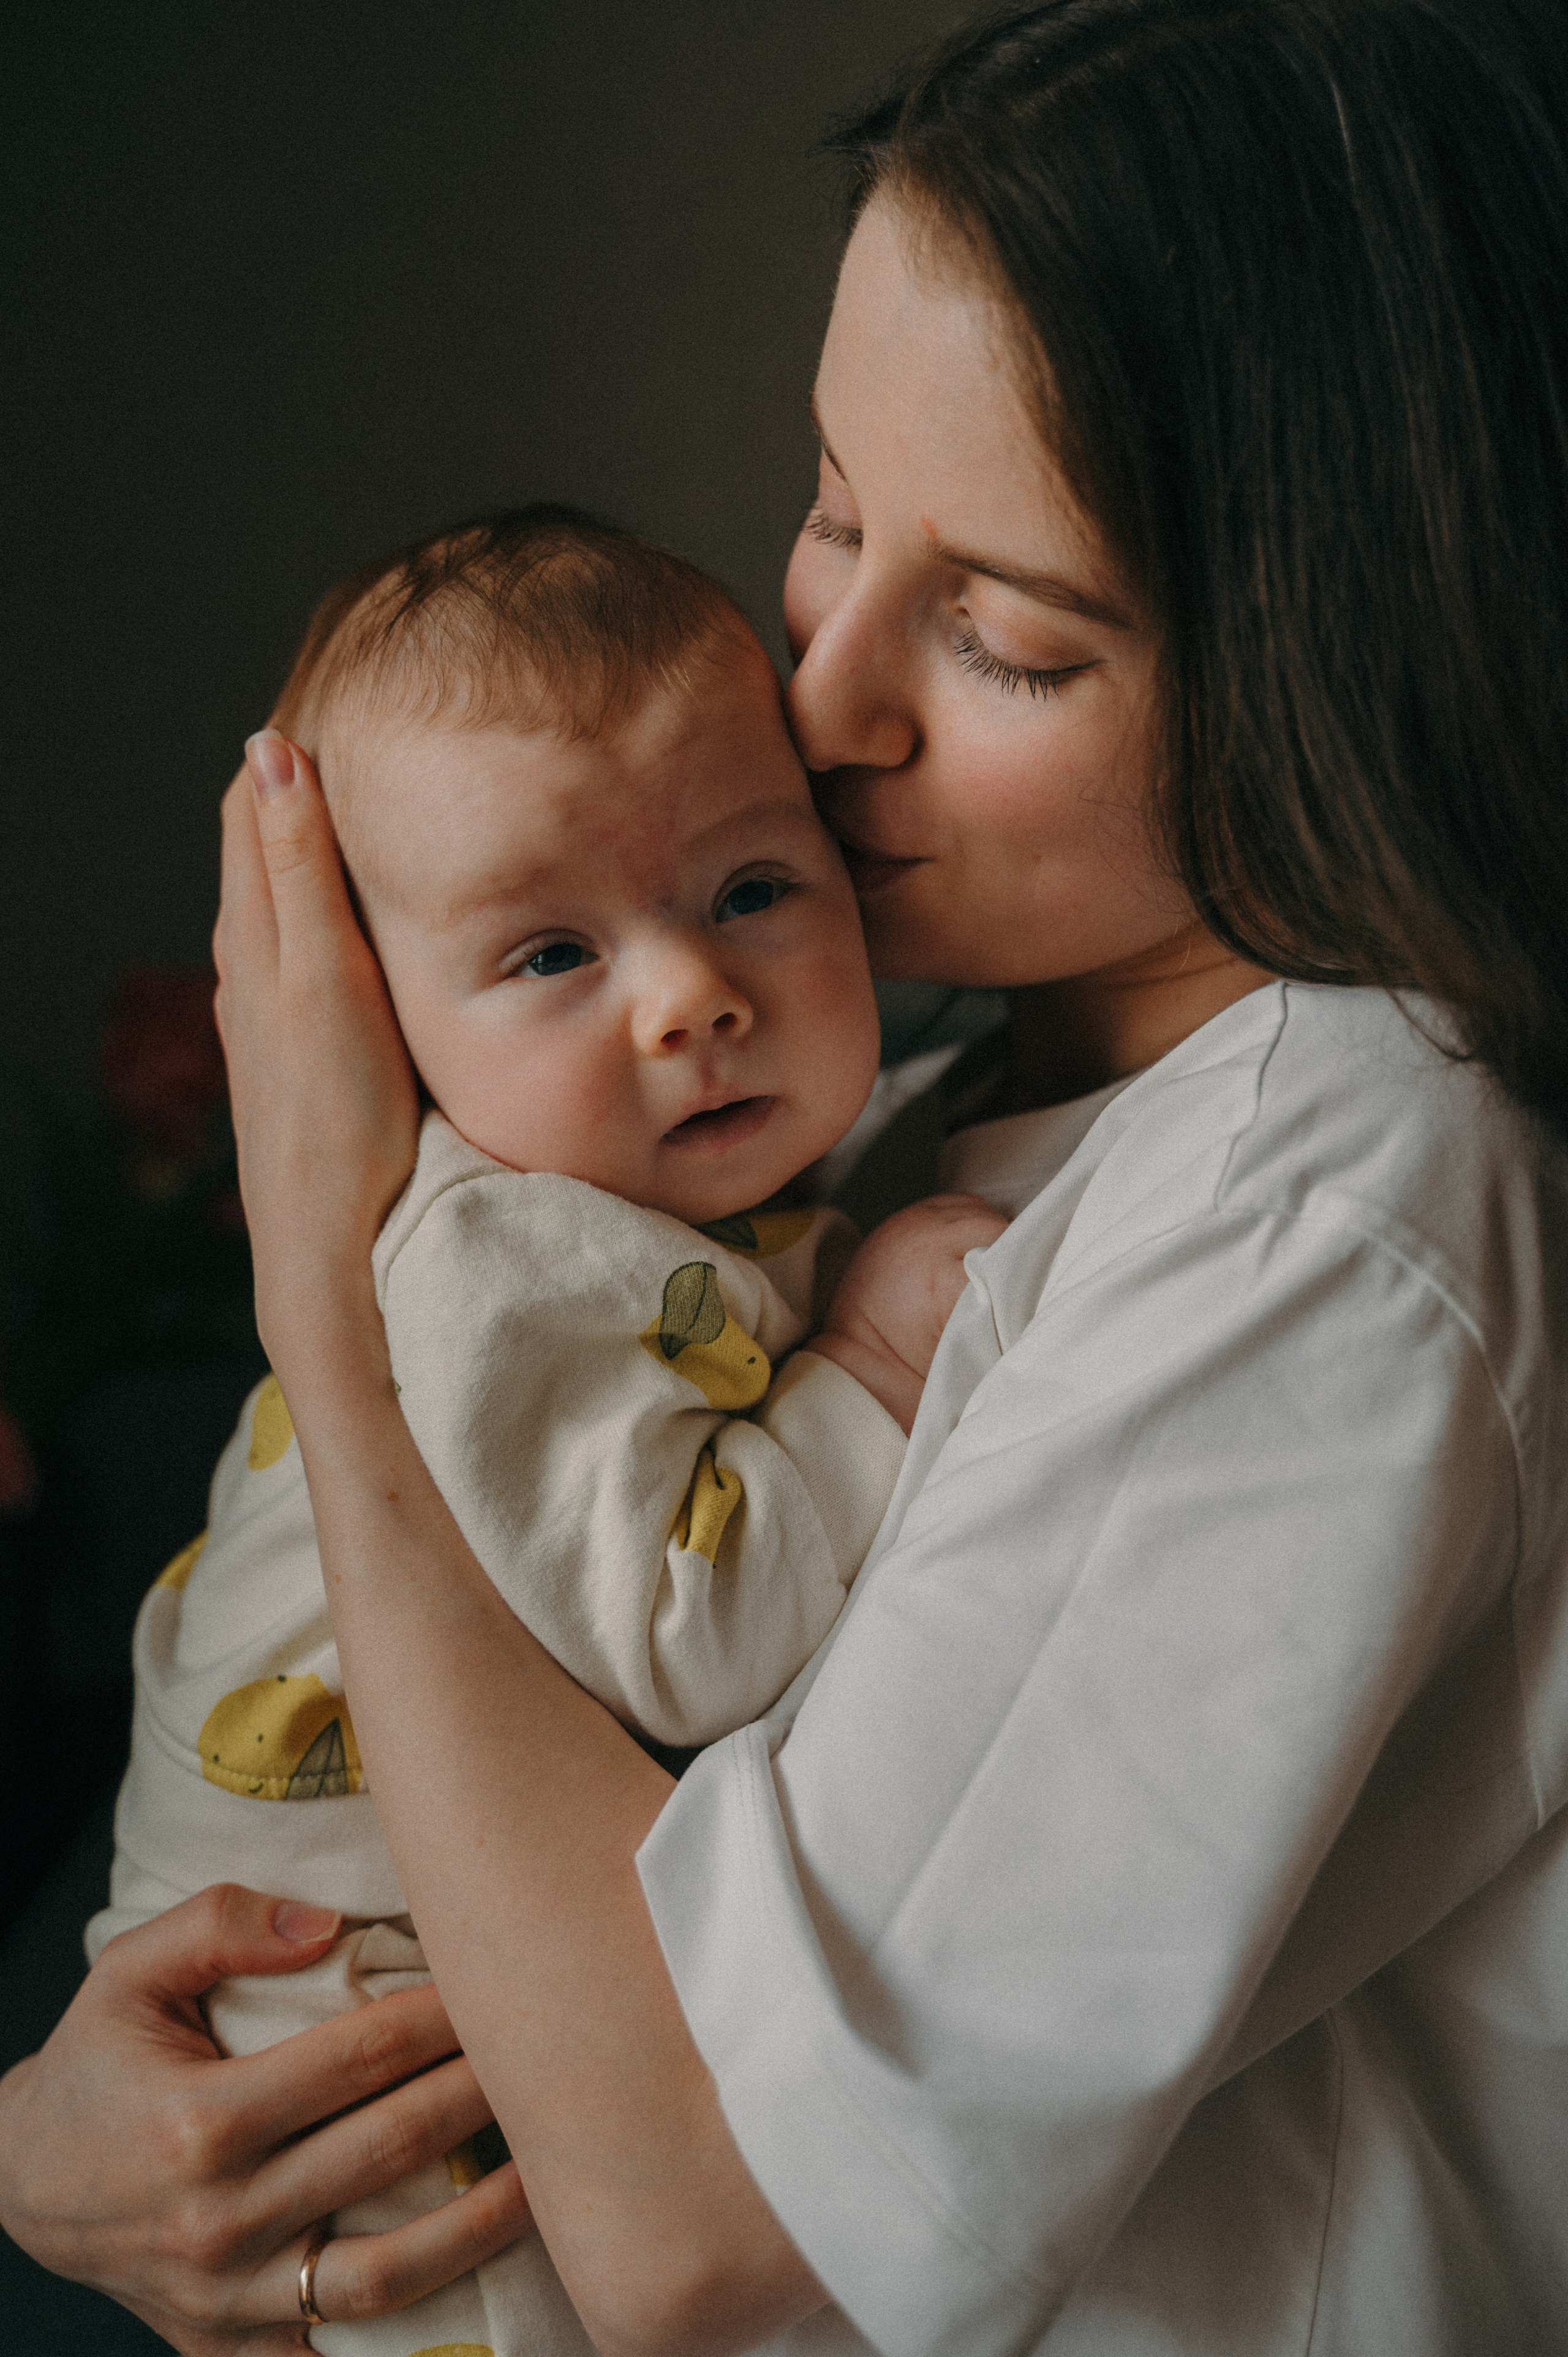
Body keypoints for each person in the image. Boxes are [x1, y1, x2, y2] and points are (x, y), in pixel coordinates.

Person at [6, 1, 1568, 2350]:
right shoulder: (911, 1096)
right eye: (837, 510)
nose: (818, 697)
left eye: (1001, 636)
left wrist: (331, 1308)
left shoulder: (1334, 1205)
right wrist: (76, 2135)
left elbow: (718, 2229)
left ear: (1340, 655)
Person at [91, 505, 1000, 2356]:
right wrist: (881, 1369)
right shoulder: (502, 1264)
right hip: (350, 2067)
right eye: (550, 953)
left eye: (753, 890)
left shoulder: (661, 1199)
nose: (691, 995)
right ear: (371, 1029)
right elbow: (688, 1632)